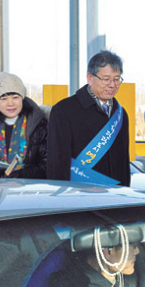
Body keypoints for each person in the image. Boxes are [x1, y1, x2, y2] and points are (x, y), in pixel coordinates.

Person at [47, 50, 130, 186]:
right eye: (106, 79)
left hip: (115, 197)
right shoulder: (63, 111)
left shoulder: (121, 114)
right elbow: (56, 162)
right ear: (90, 78)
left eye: (116, 79)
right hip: (79, 197)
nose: (112, 85)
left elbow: (124, 163)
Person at [0, 72, 48, 179]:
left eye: (15, 97)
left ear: (22, 98)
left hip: (29, 191)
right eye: (4, 99)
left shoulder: (40, 124)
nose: (10, 103)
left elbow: (48, 164)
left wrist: (23, 174)